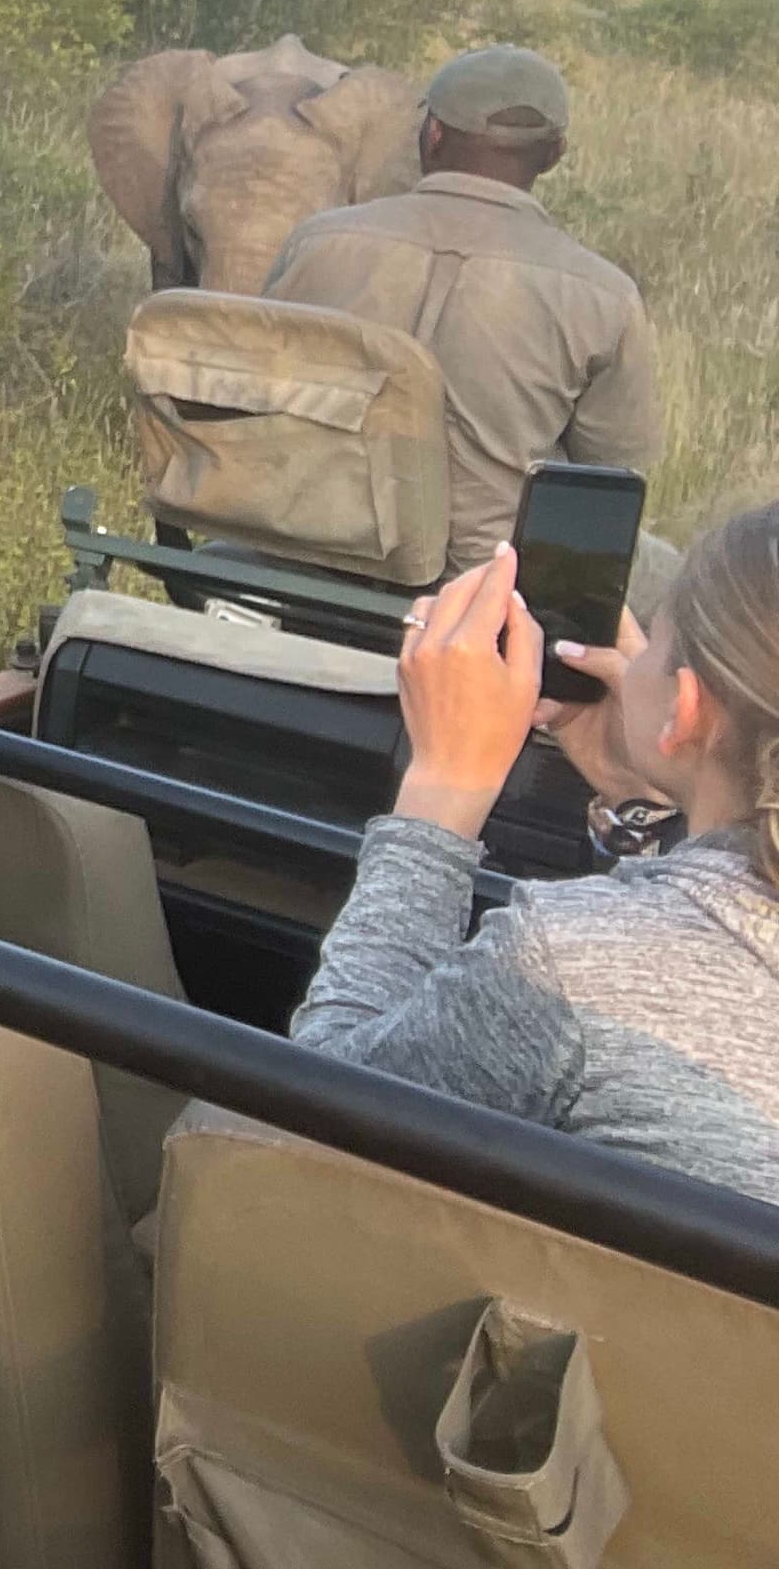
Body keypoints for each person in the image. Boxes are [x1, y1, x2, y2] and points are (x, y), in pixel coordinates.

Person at [291, 511, 779, 1204]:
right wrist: (641, 805)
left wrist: (443, 786)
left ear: (686, 706)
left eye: (653, 642)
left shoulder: (570, 966)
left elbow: (320, 1112)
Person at [261, 45, 661, 564]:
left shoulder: (316, 241)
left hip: (304, 549)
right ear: (554, 154)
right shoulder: (605, 296)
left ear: (432, 134)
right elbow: (611, 482)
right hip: (480, 583)